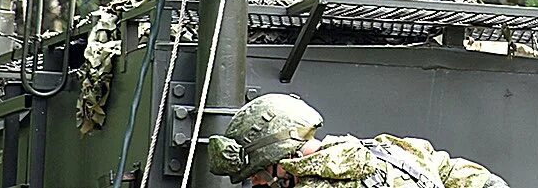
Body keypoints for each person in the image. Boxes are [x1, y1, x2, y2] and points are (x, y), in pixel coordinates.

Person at [207, 93, 509, 188]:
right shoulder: (388, 149)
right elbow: (461, 174)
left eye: (258, 175)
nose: (257, 184)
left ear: (278, 160)